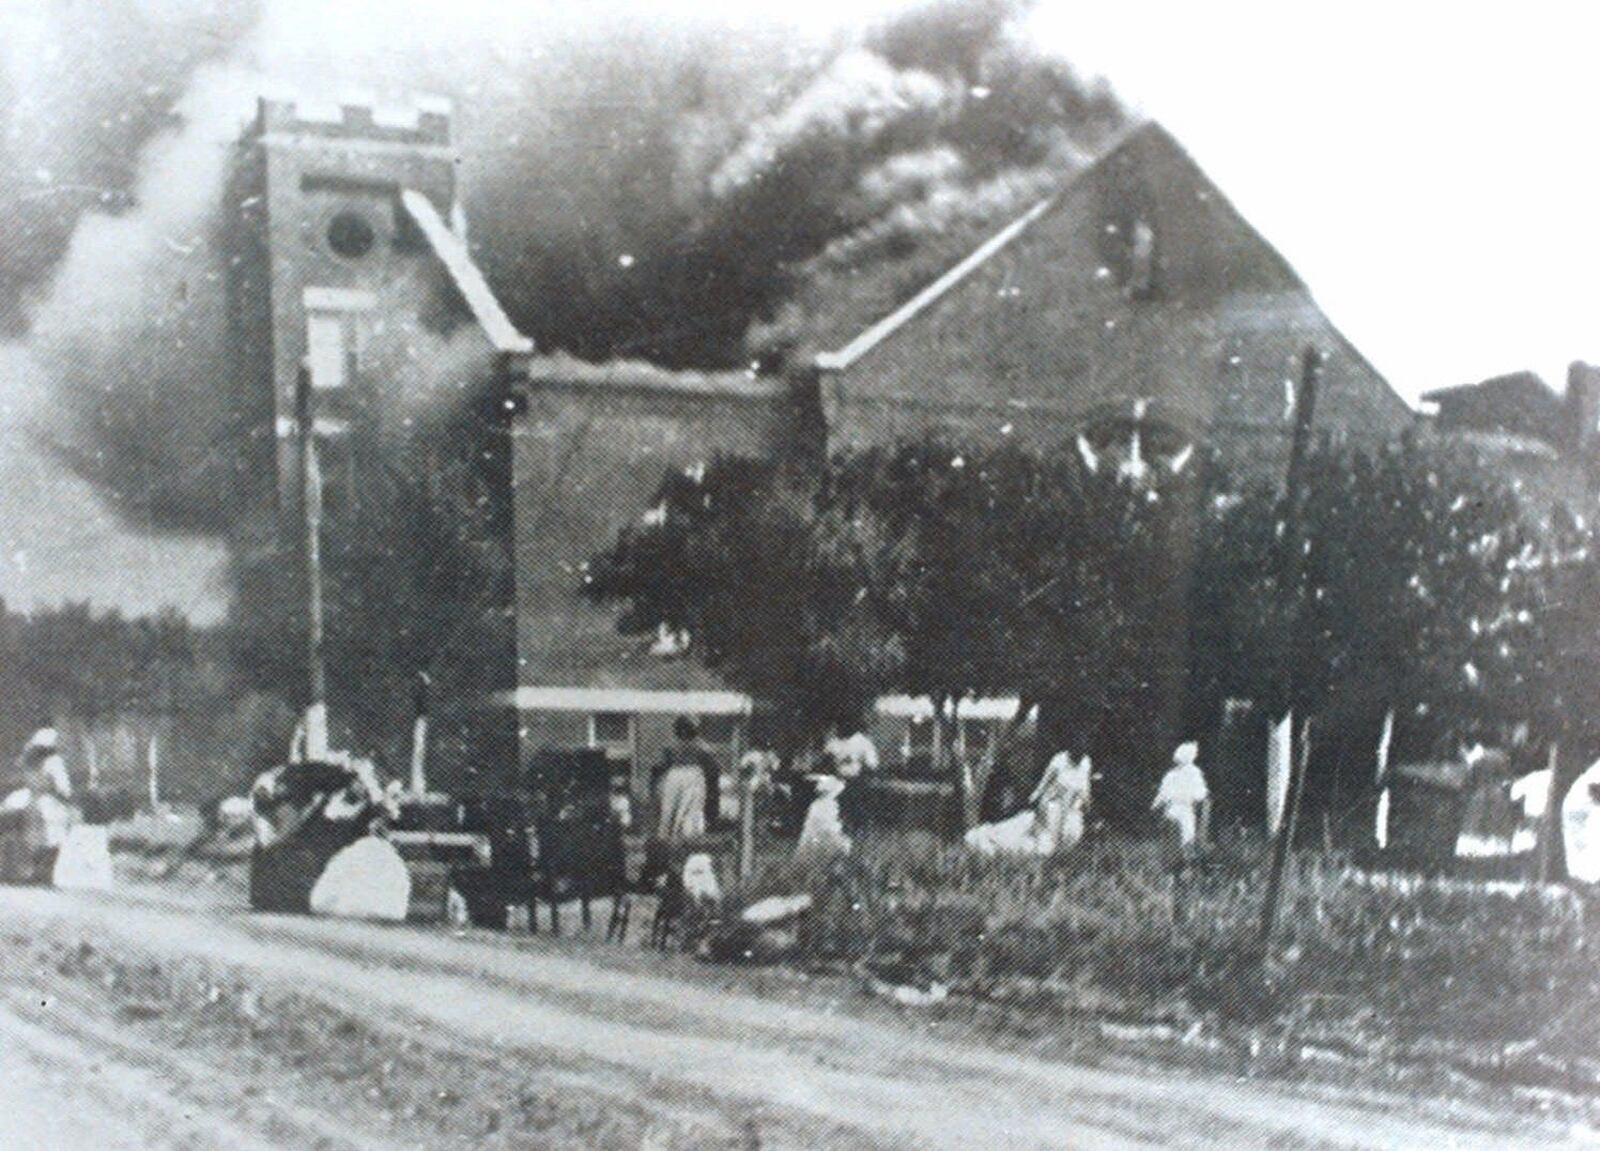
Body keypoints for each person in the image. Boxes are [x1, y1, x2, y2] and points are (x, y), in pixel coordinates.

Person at [654, 718, 714, 845]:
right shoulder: (697, 746)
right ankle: (671, 838)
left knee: (684, 808)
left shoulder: (694, 746)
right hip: (684, 774)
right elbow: (709, 762)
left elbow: (663, 763)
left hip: (686, 773)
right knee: (679, 807)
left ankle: (677, 837)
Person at [1152, 741, 1210, 851]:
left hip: (1184, 808)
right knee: (1181, 826)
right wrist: (1157, 804)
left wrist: (1198, 797)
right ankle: (1181, 851)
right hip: (1176, 808)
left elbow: (1200, 793)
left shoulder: (1192, 772)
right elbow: (1163, 793)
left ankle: (1186, 852)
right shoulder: (1173, 775)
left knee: (1186, 827)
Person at [1031, 749, 1092, 851]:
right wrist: (1036, 796)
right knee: (1051, 840)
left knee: (1072, 834)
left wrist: (1087, 803)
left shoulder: (1086, 762)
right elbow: (1045, 781)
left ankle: (1063, 856)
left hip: (1073, 803)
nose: (1079, 756)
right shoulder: (1059, 760)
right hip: (1055, 801)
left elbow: (1085, 786)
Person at [797, 774, 852, 860]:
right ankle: (817, 850)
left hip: (829, 808)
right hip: (822, 808)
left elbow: (820, 785)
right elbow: (817, 781)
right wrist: (811, 777)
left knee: (829, 830)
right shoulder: (829, 780)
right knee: (815, 829)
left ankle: (830, 851)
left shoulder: (839, 784)